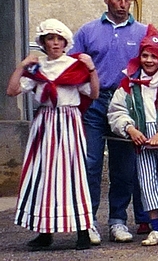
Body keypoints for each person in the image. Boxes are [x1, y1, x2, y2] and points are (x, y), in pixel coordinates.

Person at [70, 0, 158, 243]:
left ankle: (118, 221)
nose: (123, 4)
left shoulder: (144, 32)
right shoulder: (87, 32)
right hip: (94, 102)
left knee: (124, 165)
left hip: (127, 102)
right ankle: (87, 221)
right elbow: (72, 68)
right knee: (90, 162)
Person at [7, 19, 98, 250]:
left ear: (66, 42)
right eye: (50, 38)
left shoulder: (74, 66)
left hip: (69, 121)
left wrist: (91, 69)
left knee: (73, 175)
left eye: (59, 39)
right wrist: (21, 66)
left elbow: (94, 93)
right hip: (45, 122)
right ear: (43, 42)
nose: (55, 43)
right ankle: (45, 231)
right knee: (44, 175)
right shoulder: (38, 68)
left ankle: (82, 231)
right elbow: (12, 90)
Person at [107, 25, 158, 246]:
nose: (149, 60)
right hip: (141, 138)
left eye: (154, 56)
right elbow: (116, 111)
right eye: (145, 55)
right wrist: (130, 128)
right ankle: (155, 227)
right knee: (146, 181)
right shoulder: (129, 83)